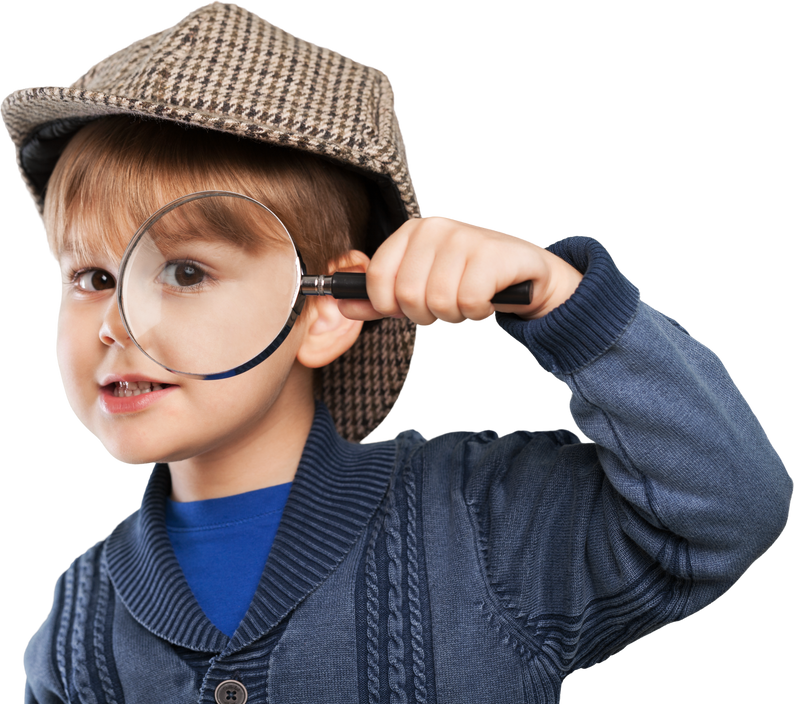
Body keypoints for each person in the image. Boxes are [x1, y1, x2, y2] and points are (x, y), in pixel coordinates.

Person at [4, 3, 790, 703]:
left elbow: (728, 510)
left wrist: (562, 302)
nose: (113, 323)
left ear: (325, 311)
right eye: (92, 276)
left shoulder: (490, 522)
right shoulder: (74, 626)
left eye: (184, 272)